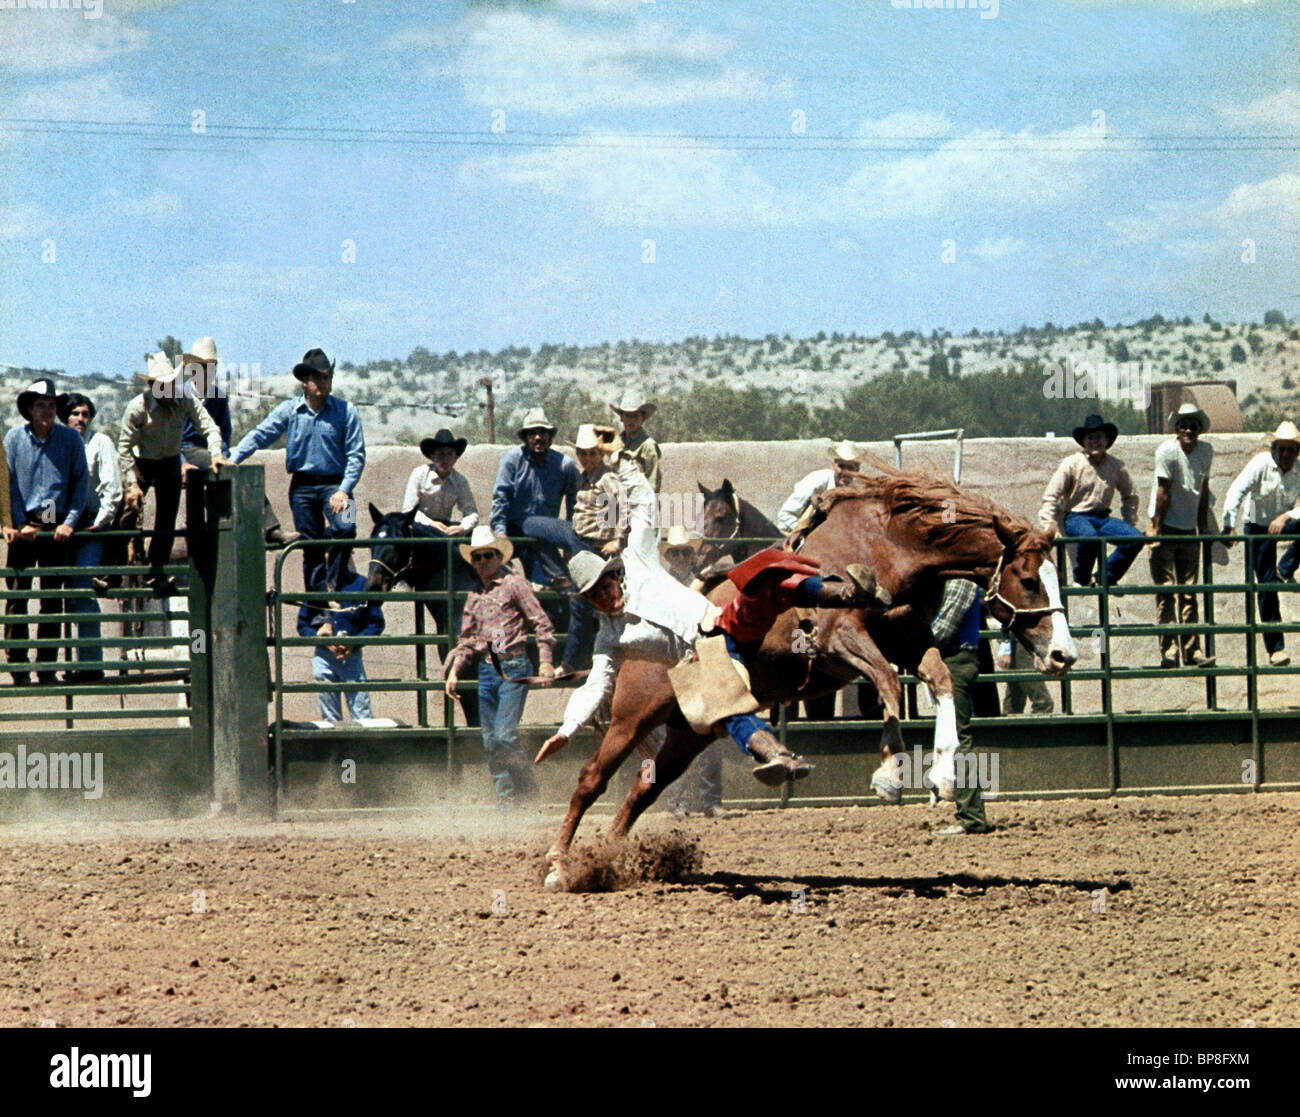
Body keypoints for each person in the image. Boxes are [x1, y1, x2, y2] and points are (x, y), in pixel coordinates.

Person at [230, 347, 365, 592]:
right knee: (310, 547)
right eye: (317, 378)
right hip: (302, 486)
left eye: (327, 377)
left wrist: (344, 490)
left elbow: (356, 455)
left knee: (348, 527)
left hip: (337, 485)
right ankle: (317, 611)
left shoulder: (346, 412)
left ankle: (333, 585)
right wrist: (233, 459)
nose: (323, 383)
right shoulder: (291, 410)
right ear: (305, 382)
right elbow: (261, 434)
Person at [444, 526, 555, 805]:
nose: (482, 562)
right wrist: (455, 670)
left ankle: (528, 795)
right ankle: (508, 805)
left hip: (514, 665)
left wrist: (545, 662)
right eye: (477, 557)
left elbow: (540, 622)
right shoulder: (474, 596)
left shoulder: (515, 584)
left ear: (499, 557)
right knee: (491, 742)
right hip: (487, 669)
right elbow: (467, 639)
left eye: (487, 556)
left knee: (504, 735)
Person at [118, 352, 228, 595]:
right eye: (162, 385)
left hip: (168, 461)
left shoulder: (185, 399)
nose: (168, 390)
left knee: (166, 519)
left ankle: (155, 572)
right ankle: (110, 572)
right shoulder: (137, 407)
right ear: (152, 386)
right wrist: (131, 482)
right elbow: (123, 448)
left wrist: (216, 453)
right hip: (141, 461)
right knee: (127, 510)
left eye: (171, 384)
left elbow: (208, 425)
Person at [4, 379, 89, 686]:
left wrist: (70, 521)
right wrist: (15, 522)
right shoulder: (14, 439)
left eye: (52, 405)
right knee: (17, 595)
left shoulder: (70, 440)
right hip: (24, 521)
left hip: (55, 522)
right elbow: (7, 483)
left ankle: (47, 665)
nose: (47, 411)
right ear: (29, 409)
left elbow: (81, 483)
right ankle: (17, 664)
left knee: (52, 597)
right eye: (41, 405)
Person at [181, 336, 297, 549]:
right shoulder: (182, 395)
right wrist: (182, 461)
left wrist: (223, 454)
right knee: (207, 476)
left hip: (212, 452)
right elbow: (176, 437)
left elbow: (225, 432)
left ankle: (270, 528)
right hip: (188, 451)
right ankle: (195, 531)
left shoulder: (218, 396)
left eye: (210, 367)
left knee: (238, 473)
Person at [658, 526, 731, 819]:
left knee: (707, 737)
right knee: (670, 737)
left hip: (699, 661)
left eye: (685, 551)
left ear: (692, 555)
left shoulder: (705, 584)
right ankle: (676, 803)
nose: (681, 557)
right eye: (675, 552)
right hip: (673, 664)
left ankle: (710, 800)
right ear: (670, 556)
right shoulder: (663, 586)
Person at [1223, 420, 1300, 667]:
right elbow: (1237, 489)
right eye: (1282, 449)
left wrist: (1287, 516)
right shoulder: (1260, 464)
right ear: (1274, 448)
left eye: (1291, 449)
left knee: (1272, 578)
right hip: (1257, 526)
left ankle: (1286, 568)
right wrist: (1228, 524)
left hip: (1282, 522)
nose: (1286, 454)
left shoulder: (1299, 469)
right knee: (1267, 586)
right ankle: (1276, 649)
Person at [57, 392, 122, 683]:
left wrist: (100, 523)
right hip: (64, 527)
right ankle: (74, 663)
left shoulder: (100, 442)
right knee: (65, 593)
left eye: (85, 414)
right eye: (75, 414)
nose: (81, 419)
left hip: (90, 528)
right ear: (65, 417)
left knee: (83, 589)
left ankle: (91, 665)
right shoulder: (60, 443)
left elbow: (112, 487)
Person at [1038, 413, 1143, 587]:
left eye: (1099, 437)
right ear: (1084, 442)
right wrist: (1050, 526)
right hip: (1076, 517)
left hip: (1103, 518)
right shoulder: (1071, 464)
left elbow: (1130, 494)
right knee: (1090, 537)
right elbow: (1050, 496)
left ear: (1107, 440)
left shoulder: (1116, 466)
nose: (1095, 442)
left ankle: (1106, 575)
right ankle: (1082, 578)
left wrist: (1129, 521)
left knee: (1135, 538)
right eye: (1091, 438)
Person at [1148, 403, 1215, 668]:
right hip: (1165, 526)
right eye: (1183, 425)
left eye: (1193, 426)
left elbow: (1202, 489)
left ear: (1199, 430)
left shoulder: (1206, 451)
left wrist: (1202, 528)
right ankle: (1169, 651)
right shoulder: (1167, 451)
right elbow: (1163, 492)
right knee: (1166, 592)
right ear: (1176, 429)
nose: (1188, 430)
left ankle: (1192, 650)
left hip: (1188, 528)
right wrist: (1156, 529)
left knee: (1189, 591)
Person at [489, 408, 581, 587]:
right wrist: (500, 532)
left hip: (544, 533)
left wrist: (571, 533)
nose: (538, 438)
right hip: (515, 528)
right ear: (526, 438)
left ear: (550, 436)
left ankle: (557, 583)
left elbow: (575, 500)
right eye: (532, 433)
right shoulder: (513, 460)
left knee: (547, 584)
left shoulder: (565, 465)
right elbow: (501, 496)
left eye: (542, 433)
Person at [930, 579, 993, 835]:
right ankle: (967, 812)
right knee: (956, 737)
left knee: (958, 738)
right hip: (955, 660)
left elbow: (942, 630)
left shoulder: (961, 582)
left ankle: (971, 817)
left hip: (956, 660)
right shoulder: (961, 581)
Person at [400, 428, 479, 628]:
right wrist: (431, 523)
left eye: (449, 454)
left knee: (474, 542)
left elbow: (472, 512)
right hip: (420, 526)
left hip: (447, 529)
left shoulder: (460, 481)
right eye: (440, 454)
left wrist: (461, 528)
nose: (445, 459)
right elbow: (409, 509)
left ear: (455, 457)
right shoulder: (419, 474)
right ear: (433, 457)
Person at [297, 567, 384, 723]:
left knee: (361, 712)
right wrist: (321, 638)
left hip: (350, 656)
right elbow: (302, 624)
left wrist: (355, 642)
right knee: (330, 718)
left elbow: (377, 622)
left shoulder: (361, 584)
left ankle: (366, 746)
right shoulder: (318, 585)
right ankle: (335, 746)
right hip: (324, 656)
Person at [776, 439, 863, 534]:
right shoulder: (817, 481)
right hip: (796, 533)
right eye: (841, 466)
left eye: (850, 468)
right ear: (833, 465)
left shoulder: (858, 489)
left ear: (857, 470)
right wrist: (805, 532)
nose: (845, 472)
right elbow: (785, 515)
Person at [611, 391, 661, 493]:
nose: (631, 420)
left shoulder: (647, 445)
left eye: (635, 416)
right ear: (621, 417)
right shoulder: (617, 442)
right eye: (628, 416)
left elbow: (653, 480)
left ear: (642, 418)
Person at [997, 637, 1054, 715]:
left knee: (1015, 701)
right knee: (1043, 702)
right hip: (1023, 642)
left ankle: (1008, 725)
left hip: (1028, 642)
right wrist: (1005, 648)